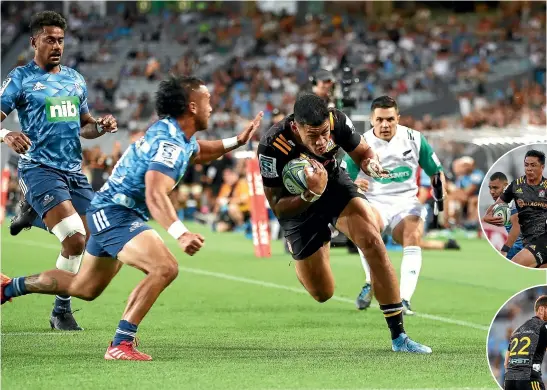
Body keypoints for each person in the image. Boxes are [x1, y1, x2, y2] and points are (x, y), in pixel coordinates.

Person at [1, 75, 264, 360]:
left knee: (84, 288)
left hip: (108, 210)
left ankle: (8, 287)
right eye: (207, 101)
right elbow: (154, 193)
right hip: (117, 213)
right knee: (164, 267)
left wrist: (237, 140)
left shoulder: (174, 133)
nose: (211, 107)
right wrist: (180, 232)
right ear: (191, 106)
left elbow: (198, 151)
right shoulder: (170, 143)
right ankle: (121, 343)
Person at [257, 92, 431, 353]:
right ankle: (311, 248)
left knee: (372, 239)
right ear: (296, 127)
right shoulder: (272, 145)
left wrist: (369, 163)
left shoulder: (337, 120)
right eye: (312, 136)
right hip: (298, 206)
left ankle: (399, 337)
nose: (321, 141)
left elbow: (363, 151)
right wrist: (309, 193)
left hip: (334, 185)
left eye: (324, 133)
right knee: (323, 292)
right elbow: (278, 207)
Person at [0, 11, 118, 330]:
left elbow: (84, 127)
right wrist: (6, 133)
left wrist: (100, 127)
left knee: (94, 235)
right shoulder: (20, 78)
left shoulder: (74, 79)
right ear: (34, 41)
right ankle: (62, 310)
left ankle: (33, 215)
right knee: (76, 239)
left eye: (60, 40)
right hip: (40, 169)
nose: (56, 45)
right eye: (50, 39)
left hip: (73, 173)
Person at [342, 96, 446, 315]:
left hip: (406, 201)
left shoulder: (415, 139)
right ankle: (370, 282)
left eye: (390, 119)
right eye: (379, 120)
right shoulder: (360, 143)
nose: (385, 125)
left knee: (413, 234)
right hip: (374, 201)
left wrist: (440, 195)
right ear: (372, 120)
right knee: (368, 230)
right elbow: (341, 178)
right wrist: (353, 184)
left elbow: (436, 171)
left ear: (398, 118)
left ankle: (404, 299)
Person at [485, 150, 547, 268]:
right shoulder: (516, 185)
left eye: (533, 165)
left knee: (515, 265)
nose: (529, 168)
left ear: (542, 167)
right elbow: (498, 205)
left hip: (543, 239)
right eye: (526, 165)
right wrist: (488, 216)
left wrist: (505, 249)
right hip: (528, 240)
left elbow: (516, 224)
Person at [504, 295, 547, 390]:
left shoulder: (518, 330)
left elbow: (506, 363)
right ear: (541, 309)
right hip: (530, 380)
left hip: (509, 381)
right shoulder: (544, 326)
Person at [482, 172, 524, 260]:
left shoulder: (515, 198)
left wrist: (505, 250)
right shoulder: (502, 201)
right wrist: (486, 217)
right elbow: (490, 211)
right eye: (490, 188)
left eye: (495, 188)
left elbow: (517, 227)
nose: (492, 192)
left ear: (505, 185)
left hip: (523, 246)